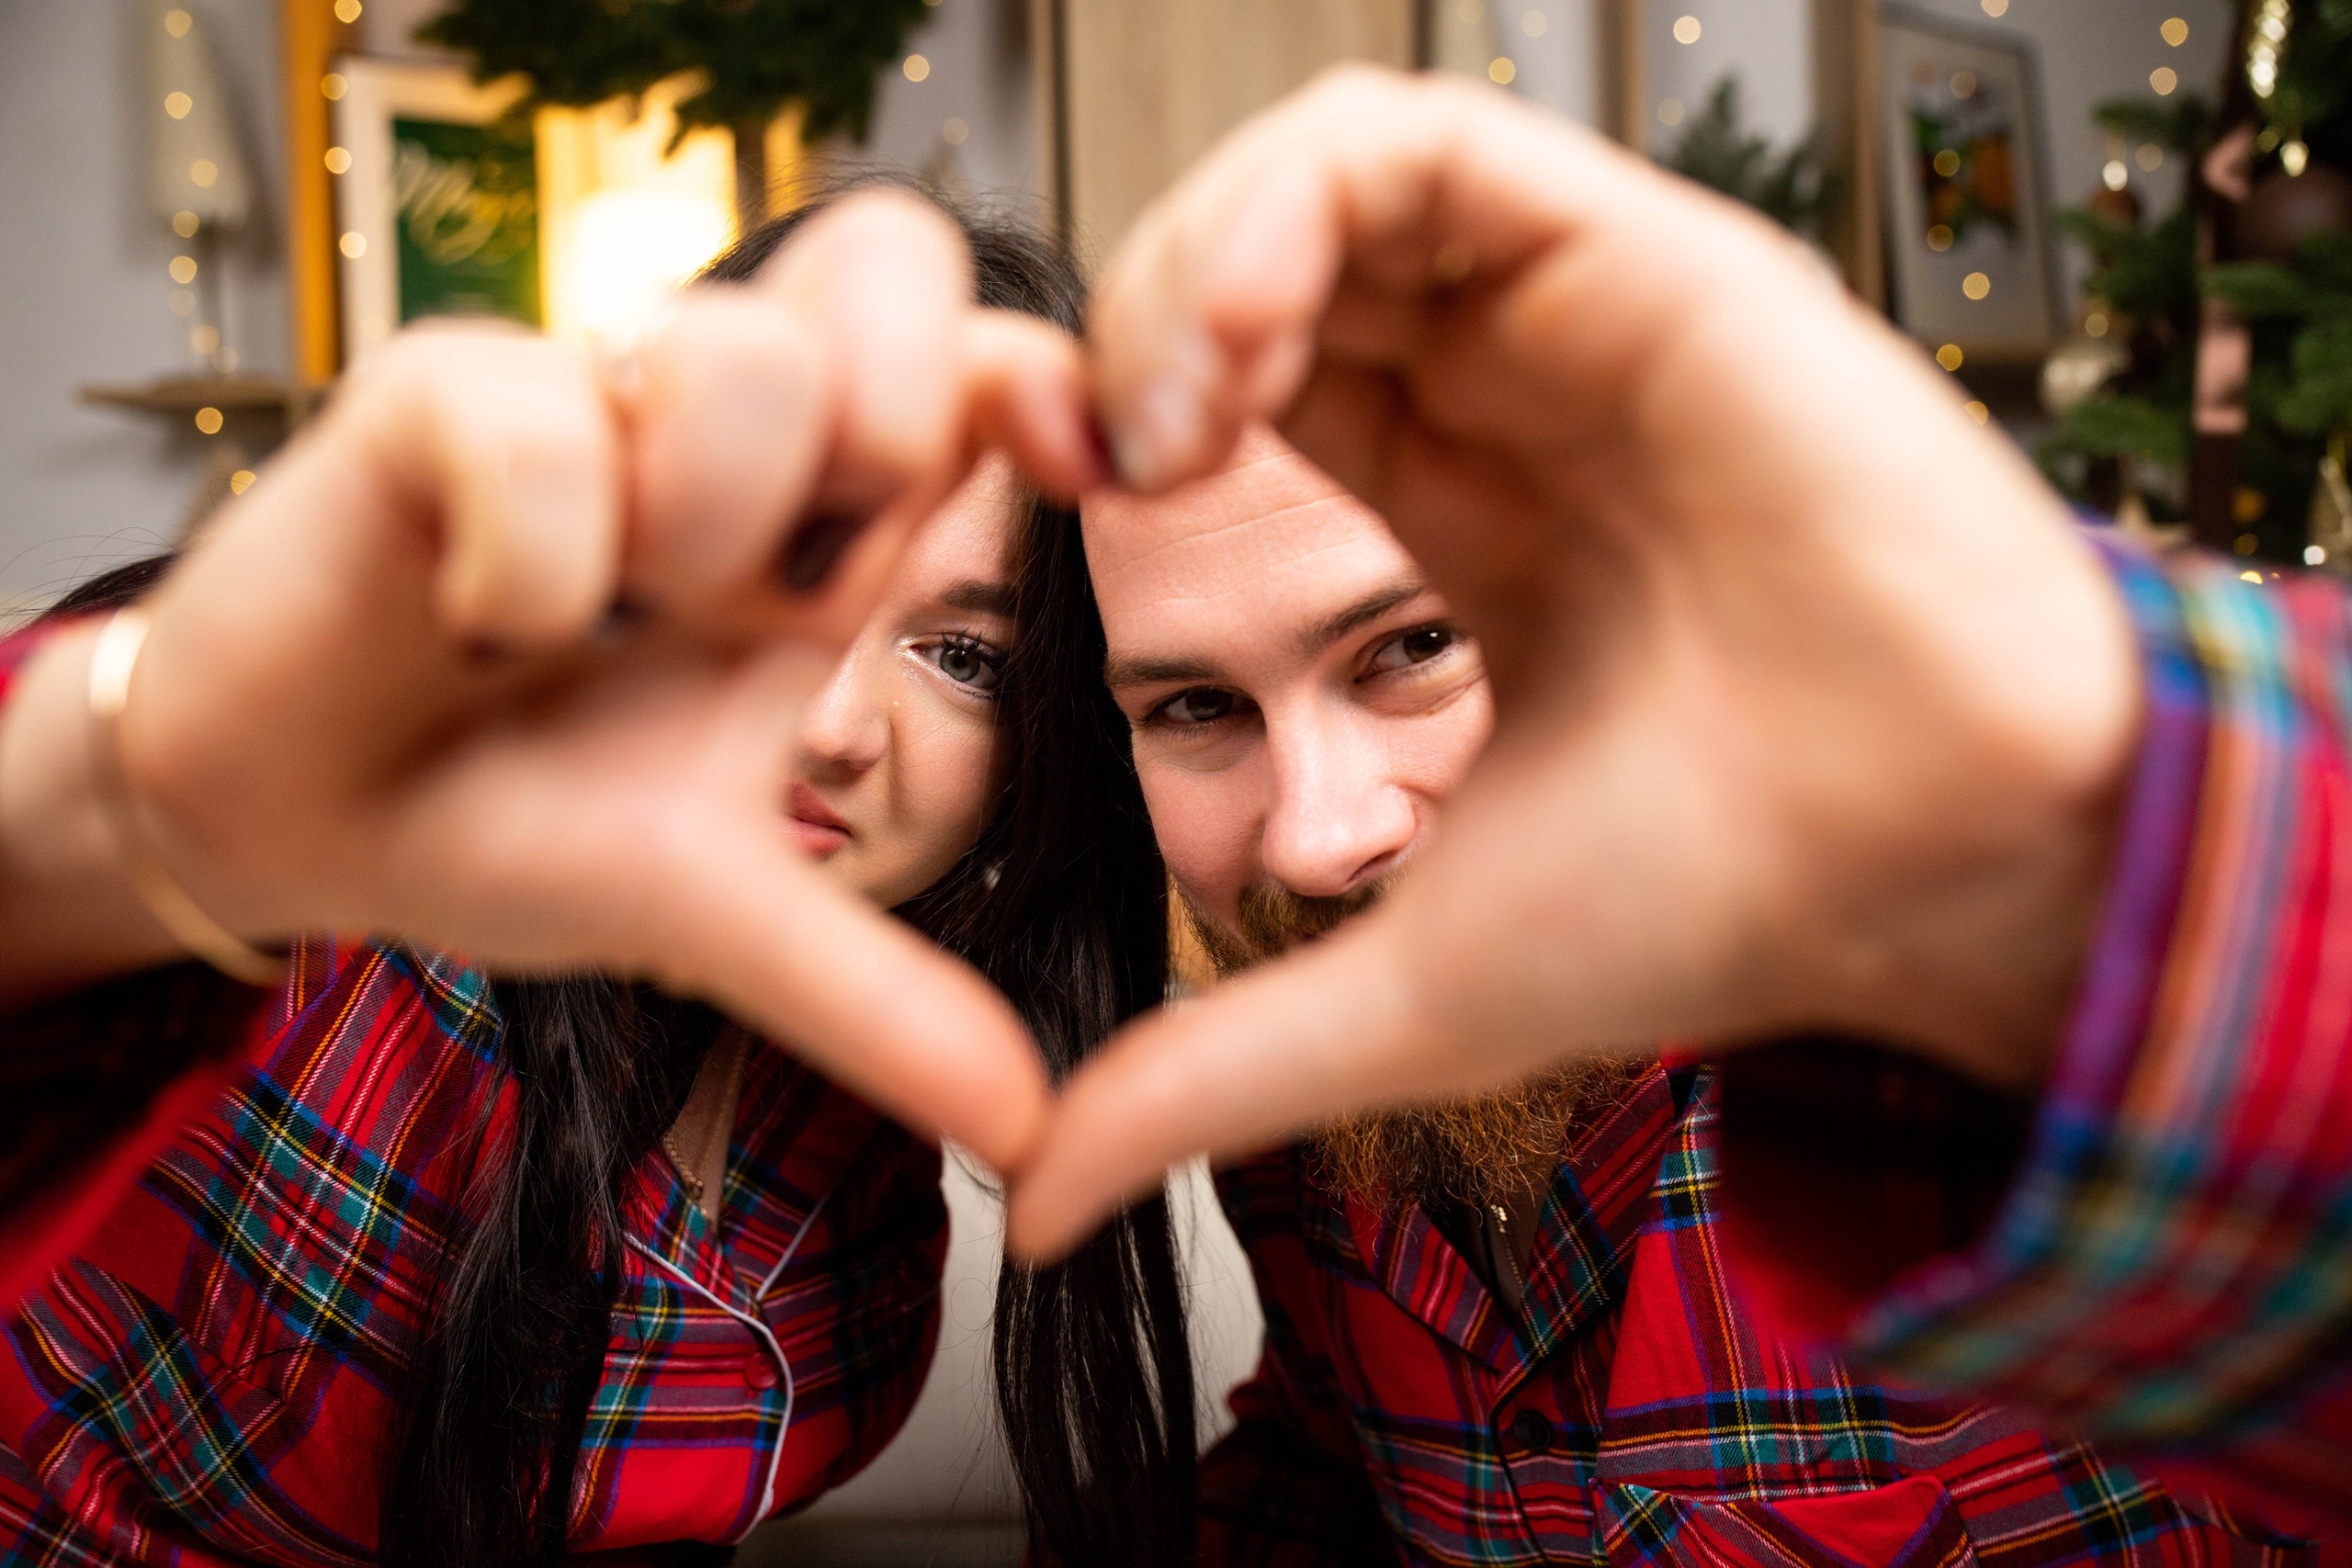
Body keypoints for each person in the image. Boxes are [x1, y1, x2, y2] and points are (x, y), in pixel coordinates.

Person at [998, 66, 2352, 1535]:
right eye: (1198, 709)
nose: (1319, 838)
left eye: (1418, 647)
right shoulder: (1303, 1115)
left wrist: (2105, 811)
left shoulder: (1981, 1058)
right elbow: (1326, 1467)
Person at [0, 190, 1187, 1566]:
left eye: (965, 659)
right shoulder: (347, 903)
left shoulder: (867, 1149)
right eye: (783, 576)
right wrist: (139, 787)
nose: (830, 726)